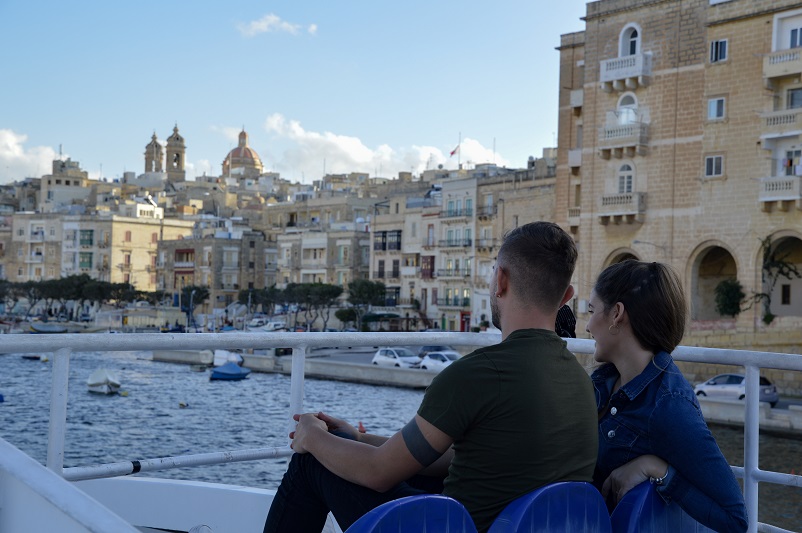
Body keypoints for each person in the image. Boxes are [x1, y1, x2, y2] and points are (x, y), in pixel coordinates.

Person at [263, 222, 598, 533]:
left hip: (452, 526)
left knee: (311, 463)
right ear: (566, 296)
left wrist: (312, 436)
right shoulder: (582, 381)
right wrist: (359, 438)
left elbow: (378, 472)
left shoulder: (477, 374)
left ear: (501, 282)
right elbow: (458, 458)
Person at [587, 260, 747, 532]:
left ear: (616, 314)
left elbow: (734, 519)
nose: (588, 325)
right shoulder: (604, 380)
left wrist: (657, 469)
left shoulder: (668, 405)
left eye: (591, 311)